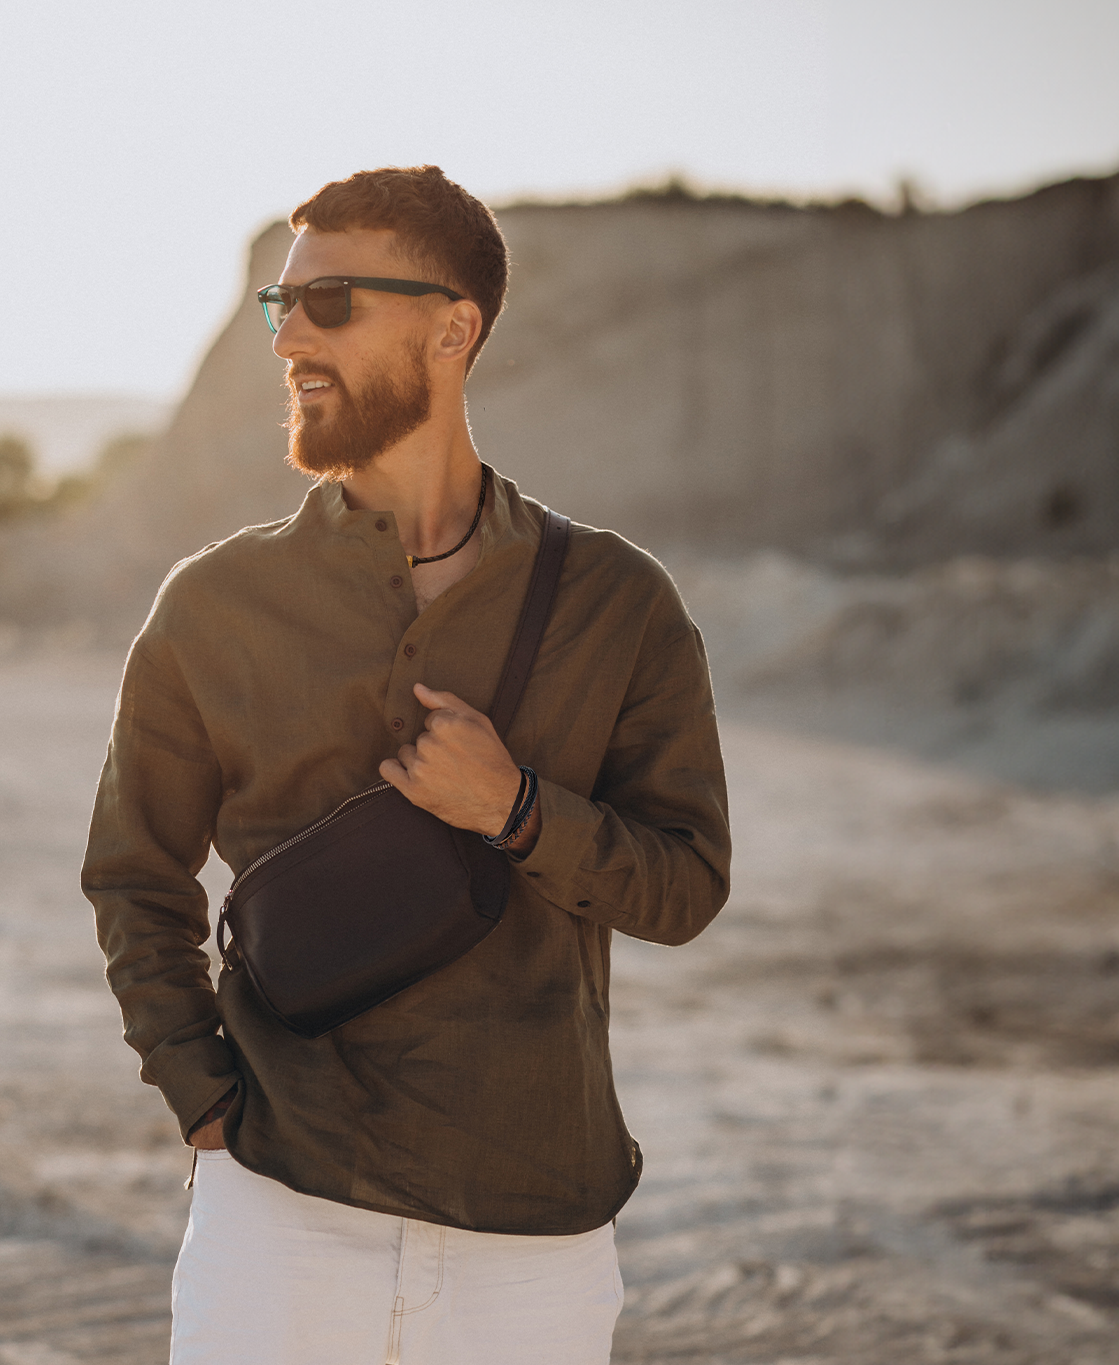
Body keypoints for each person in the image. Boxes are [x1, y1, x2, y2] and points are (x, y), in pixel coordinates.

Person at [80, 165, 732, 1365]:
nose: (288, 342)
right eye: (279, 309)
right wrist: (203, 1098)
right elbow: (133, 874)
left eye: (328, 303)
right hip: (277, 1214)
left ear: (452, 327)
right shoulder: (213, 605)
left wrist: (517, 810)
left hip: (531, 1237)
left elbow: (684, 886)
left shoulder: (617, 604)